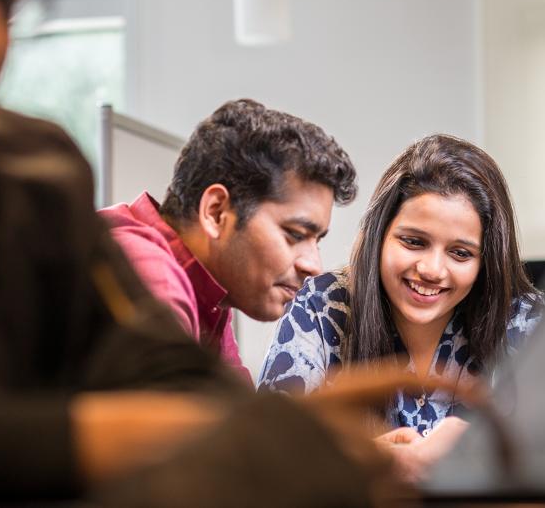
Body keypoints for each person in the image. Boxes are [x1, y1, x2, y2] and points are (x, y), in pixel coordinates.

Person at [0, 0, 391, 504]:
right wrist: (260, 435)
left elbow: (159, 368)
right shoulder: (152, 263)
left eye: (6, 2)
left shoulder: (37, 170)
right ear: (217, 211)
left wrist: (284, 433)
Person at [259, 134, 543, 471]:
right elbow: (265, 454)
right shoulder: (320, 307)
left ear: (485, 262)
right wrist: (370, 461)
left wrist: (478, 454)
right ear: (380, 236)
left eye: (461, 253)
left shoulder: (528, 322)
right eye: (413, 242)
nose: (432, 270)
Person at [99, 99, 357, 379]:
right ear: (216, 212)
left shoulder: (212, 288)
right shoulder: (149, 276)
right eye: (294, 235)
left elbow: (240, 413)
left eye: (316, 241)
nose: (314, 266)